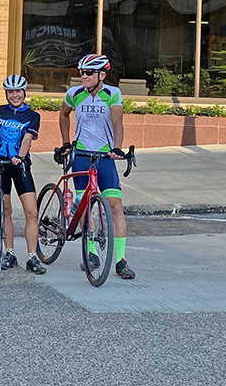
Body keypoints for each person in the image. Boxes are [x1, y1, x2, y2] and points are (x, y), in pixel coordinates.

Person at [58, 54, 135, 280]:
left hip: (104, 157)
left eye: (89, 72)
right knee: (84, 205)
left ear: (102, 75)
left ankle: (120, 260)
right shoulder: (74, 94)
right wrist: (65, 142)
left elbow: (117, 122)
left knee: (116, 207)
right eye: (81, 72)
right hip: (81, 155)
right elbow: (63, 115)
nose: (84, 76)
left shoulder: (112, 94)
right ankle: (91, 253)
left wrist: (118, 148)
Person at [0, 74, 46, 275]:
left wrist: (20, 155)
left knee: (31, 212)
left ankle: (32, 257)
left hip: (20, 166)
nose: (14, 95)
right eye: (10, 92)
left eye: (18, 91)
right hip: (1, 165)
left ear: (24, 93)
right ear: (6, 94)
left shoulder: (33, 116)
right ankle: (9, 253)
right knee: (6, 211)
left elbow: (27, 137)